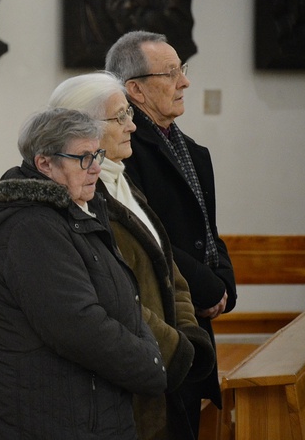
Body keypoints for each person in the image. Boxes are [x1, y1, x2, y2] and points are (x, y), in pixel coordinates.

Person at [0, 107, 167, 439]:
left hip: (90, 414)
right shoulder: (30, 227)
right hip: (51, 420)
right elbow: (78, 326)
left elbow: (125, 303)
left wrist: (148, 353)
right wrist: (151, 366)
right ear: (45, 163)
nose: (96, 168)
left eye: (98, 155)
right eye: (83, 158)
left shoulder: (75, 213)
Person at [48, 71, 216, 439]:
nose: (132, 126)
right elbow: (113, 294)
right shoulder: (84, 195)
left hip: (164, 364)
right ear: (83, 125)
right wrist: (175, 350)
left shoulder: (122, 181)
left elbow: (167, 267)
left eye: (129, 114)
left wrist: (187, 334)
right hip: (136, 373)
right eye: (120, 116)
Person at [106, 30, 237, 437]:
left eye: (182, 69)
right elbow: (146, 236)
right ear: (136, 90)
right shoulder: (122, 152)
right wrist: (204, 285)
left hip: (193, 321)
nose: (185, 82)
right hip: (158, 321)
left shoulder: (192, 150)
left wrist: (225, 283)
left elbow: (207, 231)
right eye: (172, 73)